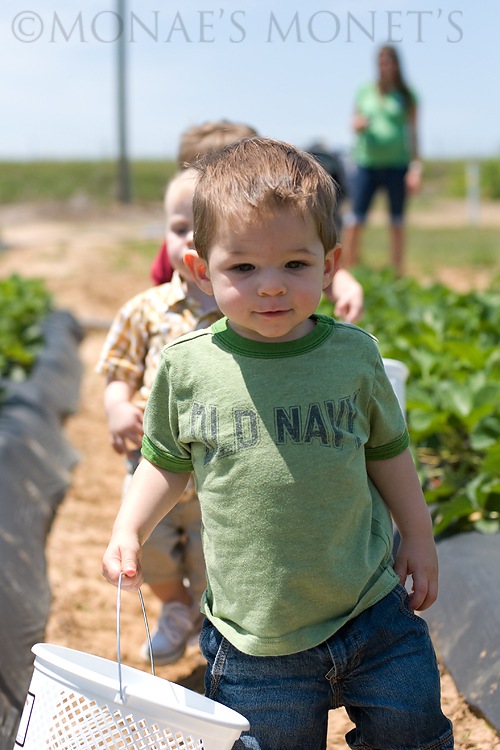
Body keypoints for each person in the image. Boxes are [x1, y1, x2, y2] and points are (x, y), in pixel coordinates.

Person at [102, 137, 453, 750]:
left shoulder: (352, 355)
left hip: (370, 608)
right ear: (200, 270)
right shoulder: (188, 368)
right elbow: (163, 462)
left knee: (413, 733)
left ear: (330, 264)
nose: (271, 286)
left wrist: (418, 536)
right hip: (256, 639)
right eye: (243, 267)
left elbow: (388, 452)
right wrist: (128, 529)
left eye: (295, 264)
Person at [96, 169, 219, 665]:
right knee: (155, 552)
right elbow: (119, 367)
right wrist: (117, 406)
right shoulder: (145, 310)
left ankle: (213, 621)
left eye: (203, 227)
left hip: (218, 468)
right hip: (151, 466)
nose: (187, 239)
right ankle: (176, 608)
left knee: (215, 555)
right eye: (176, 227)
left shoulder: (247, 318)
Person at [151, 119, 364, 324]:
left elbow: (310, 260)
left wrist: (345, 287)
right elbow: (159, 291)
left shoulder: (273, 226)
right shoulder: (180, 251)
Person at [343, 45, 422, 276]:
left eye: (389, 62)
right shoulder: (365, 91)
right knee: (356, 220)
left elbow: (415, 133)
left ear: (397, 64)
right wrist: (357, 125)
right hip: (366, 163)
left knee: (397, 221)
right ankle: (349, 270)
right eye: (381, 62)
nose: (385, 67)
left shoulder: (407, 95)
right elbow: (353, 121)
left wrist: (416, 168)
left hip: (398, 165)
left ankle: (397, 273)